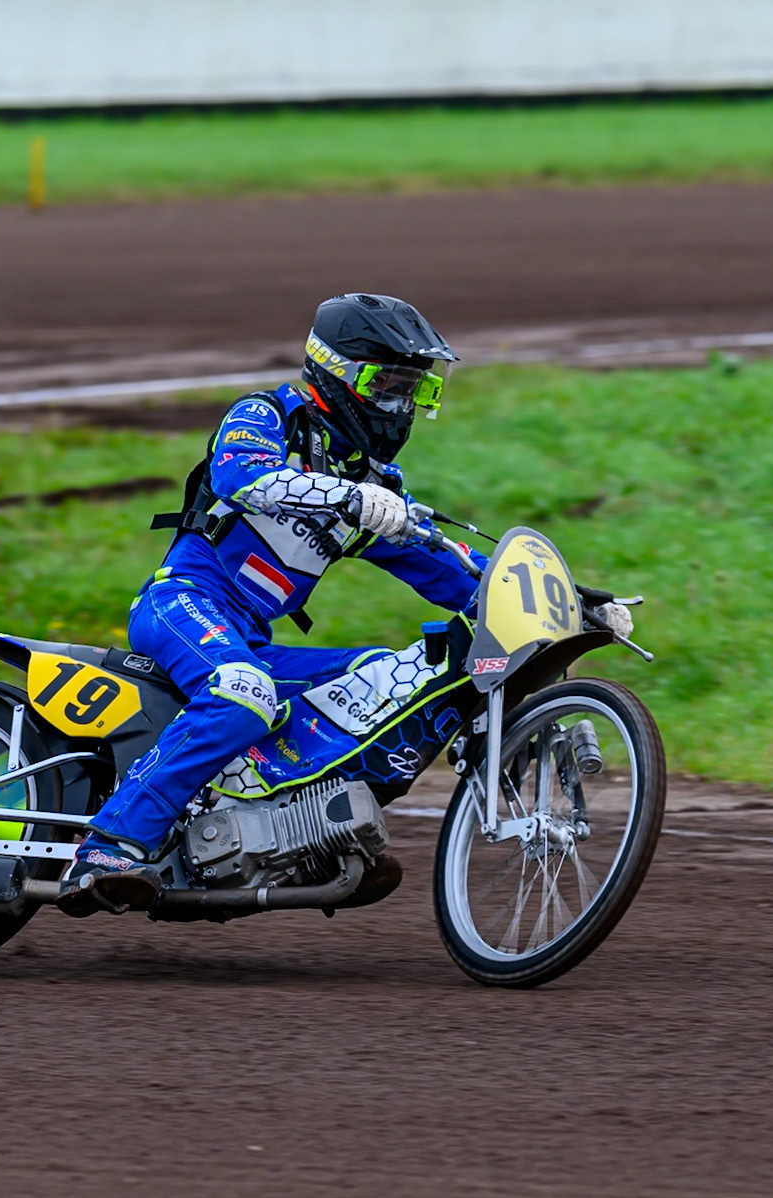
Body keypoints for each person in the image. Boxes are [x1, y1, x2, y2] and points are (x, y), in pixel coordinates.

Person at [58, 293, 483, 916]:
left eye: (412, 389)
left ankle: (301, 836)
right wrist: (346, 498)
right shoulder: (266, 414)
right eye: (387, 385)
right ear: (336, 371)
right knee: (242, 690)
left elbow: (452, 572)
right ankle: (108, 845)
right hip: (183, 602)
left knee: (389, 680)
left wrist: (573, 604)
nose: (400, 405)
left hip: (250, 635)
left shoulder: (374, 484)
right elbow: (240, 477)